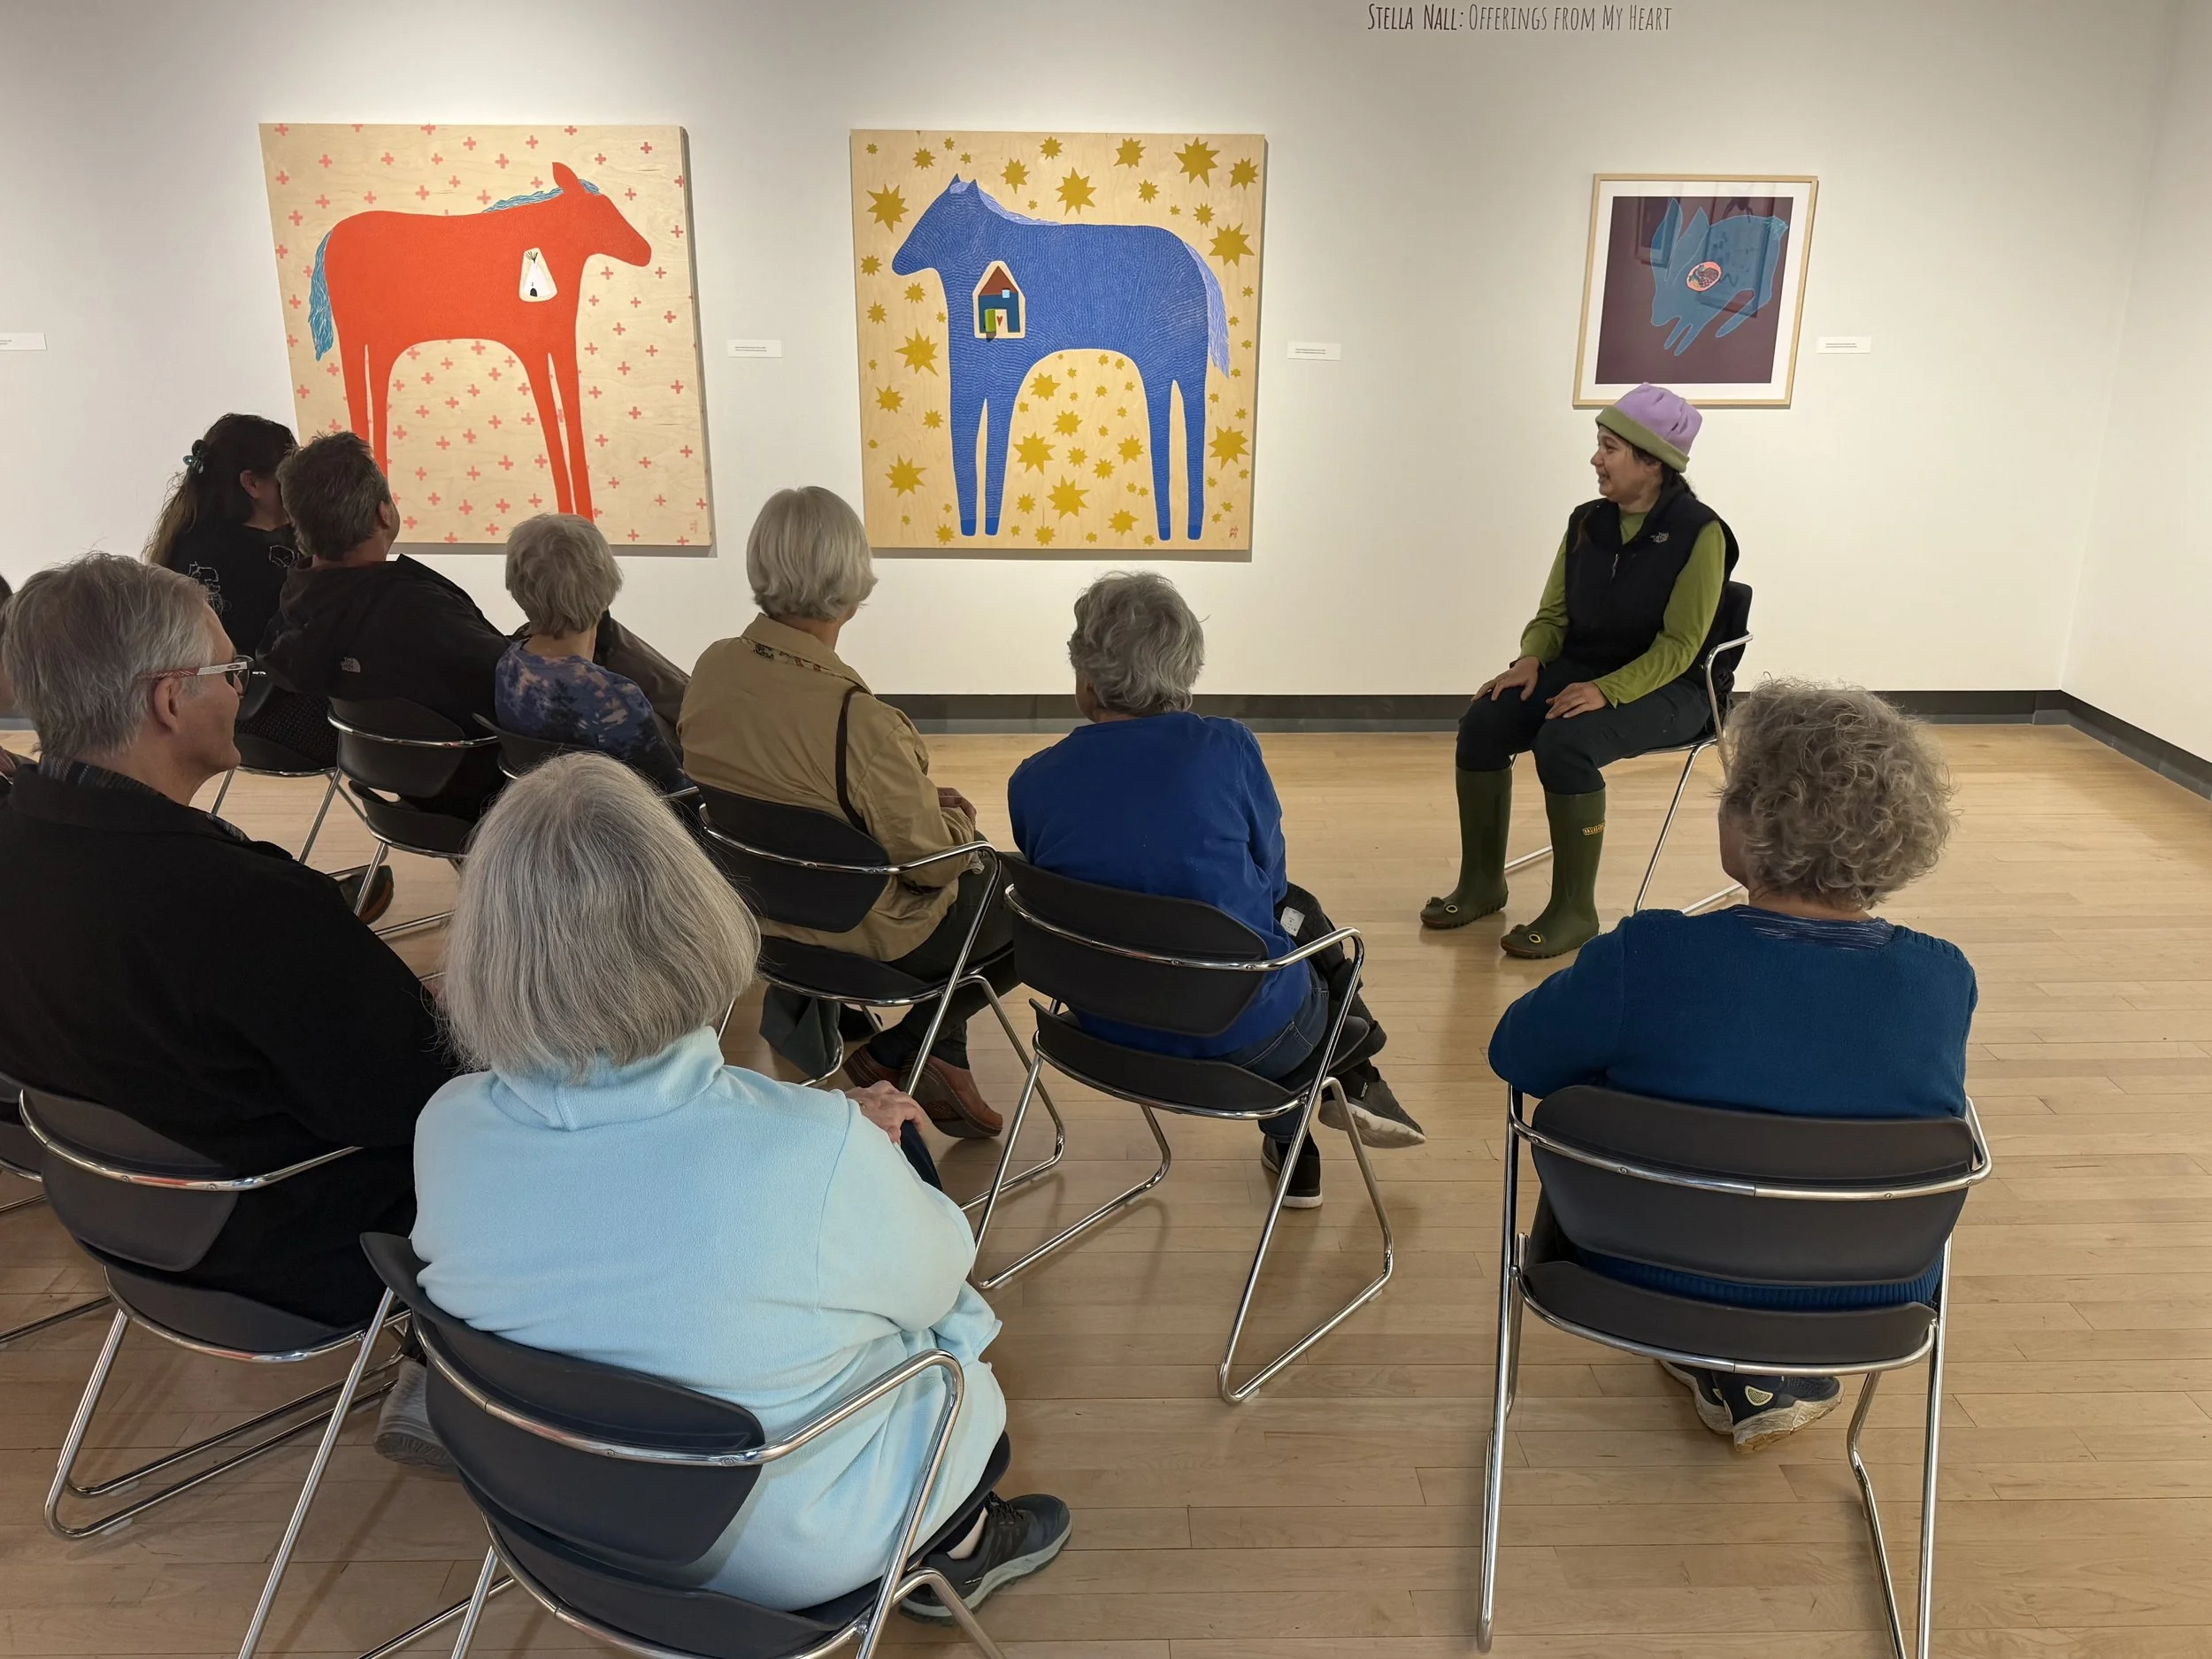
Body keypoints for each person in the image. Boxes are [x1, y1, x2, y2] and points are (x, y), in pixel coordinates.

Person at [410, 753, 1071, 1615]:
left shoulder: (449, 1126)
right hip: (779, 1556)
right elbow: (940, 1276)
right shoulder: (810, 1152)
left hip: (555, 1512)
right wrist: (857, 1155)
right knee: (932, 1326)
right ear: (692, 918)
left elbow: (642, 1181)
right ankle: (962, 1542)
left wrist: (816, 1141)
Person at [0, 553, 457, 1465]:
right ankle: (470, 1370)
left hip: (123, 1220)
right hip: (287, 1242)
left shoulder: (25, 844)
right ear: (170, 700)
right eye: (230, 672)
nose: (241, 688)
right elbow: (424, 1099)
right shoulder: (243, 908)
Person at [1489, 680, 1975, 1450]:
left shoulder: (1651, 956)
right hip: (1866, 1293)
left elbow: (1515, 1053)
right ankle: (1755, 1368)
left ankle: (1719, 1350)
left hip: (1632, 1267)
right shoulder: (1940, 980)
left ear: (1751, 826)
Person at [1008, 572, 1423, 1210]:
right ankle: (1332, 1081)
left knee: (1218, 928)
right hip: (1244, 1034)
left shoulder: (1031, 782)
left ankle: (1339, 1069)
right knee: (1295, 921)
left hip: (1100, 1025)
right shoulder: (1225, 747)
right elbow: (1273, 882)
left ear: (1086, 680)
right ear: (1184, 674)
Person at [681, 487, 1012, 1139]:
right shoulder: (859, 721)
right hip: (858, 932)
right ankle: (905, 1047)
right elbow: (926, 868)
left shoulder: (713, 668)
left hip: (757, 919)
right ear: (852, 586)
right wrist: (956, 826)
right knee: (1023, 899)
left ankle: (938, 1054)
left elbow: (787, 799)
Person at [1425, 381, 1740, 957]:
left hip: (1674, 687)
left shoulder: (1702, 533)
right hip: (1584, 667)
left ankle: (1574, 909)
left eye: (1609, 448)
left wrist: (1607, 691)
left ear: (1653, 462)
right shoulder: (1586, 523)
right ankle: (1481, 884)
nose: (1596, 458)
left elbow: (1680, 645)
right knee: (1485, 721)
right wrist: (1529, 659)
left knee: (1564, 742)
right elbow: (1553, 613)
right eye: (1599, 444)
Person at [258, 433, 510, 817]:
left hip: (400, 797)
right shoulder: (416, 610)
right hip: (483, 794)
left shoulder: (300, 603)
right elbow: (512, 678)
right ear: (383, 513)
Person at [496, 514, 687, 793]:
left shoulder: (508, 665)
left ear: (517, 585)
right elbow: (675, 793)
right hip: (616, 824)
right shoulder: (612, 697)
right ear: (605, 586)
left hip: (551, 812)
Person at [145, 414, 302, 658]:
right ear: (252, 483)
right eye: (291, 474)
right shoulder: (251, 561)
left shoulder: (189, 538)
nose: (299, 485)